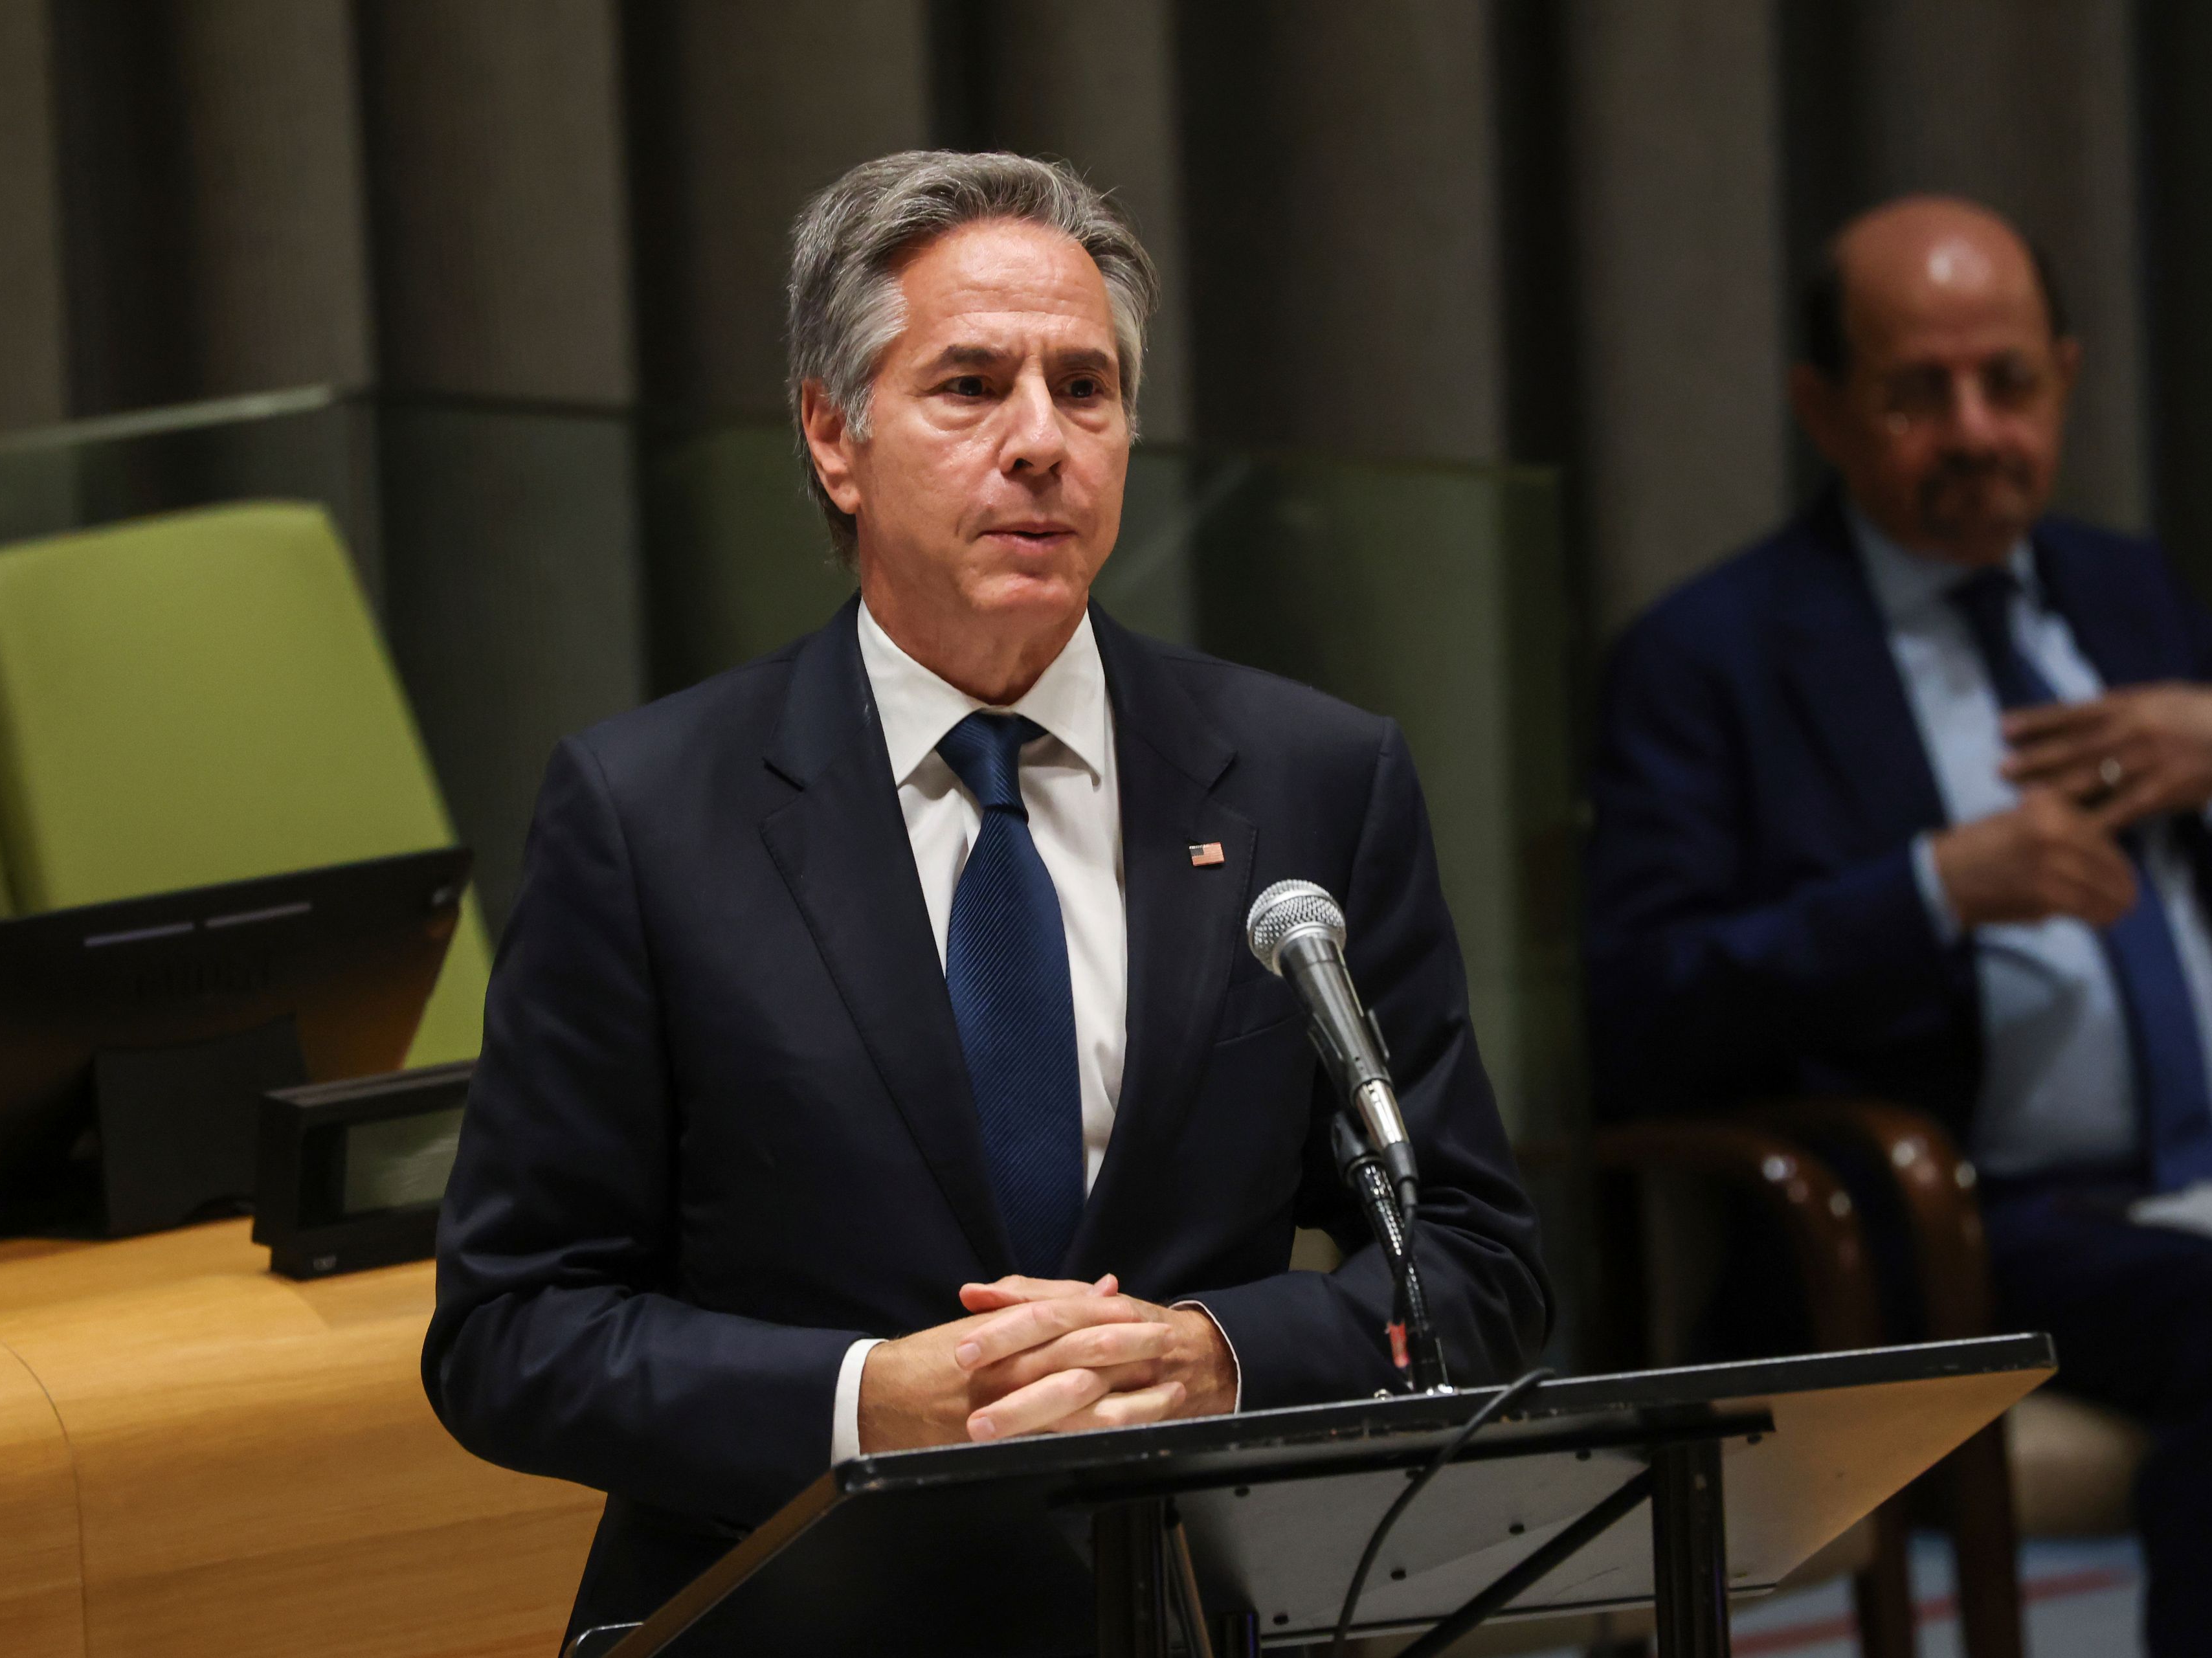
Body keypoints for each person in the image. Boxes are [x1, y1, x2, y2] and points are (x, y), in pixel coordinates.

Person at [424, 150, 1547, 1644]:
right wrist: (859, 1402)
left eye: (1084, 390)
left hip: (1192, 1611)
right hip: (799, 1614)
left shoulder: (1309, 784)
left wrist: (1217, 1353)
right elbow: (511, 1333)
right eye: (970, 386)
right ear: (836, 437)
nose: (1041, 443)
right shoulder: (646, 816)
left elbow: (1474, 1261)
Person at [1583, 194, 2212, 1657]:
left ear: (2067, 380)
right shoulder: (1713, 658)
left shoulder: (2127, 593)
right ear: (1824, 411)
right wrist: (1932, 891)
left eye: (2010, 384)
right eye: (1920, 393)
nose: (1976, 429)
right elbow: (1646, 1005)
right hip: (1962, 1216)